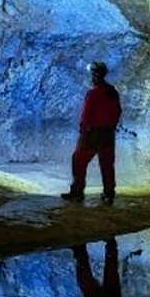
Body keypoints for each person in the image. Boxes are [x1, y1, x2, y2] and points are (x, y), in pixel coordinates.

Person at [61, 61, 121, 205]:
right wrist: (112, 126)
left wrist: (84, 131)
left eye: (92, 74)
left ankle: (77, 192)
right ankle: (109, 194)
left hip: (93, 133)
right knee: (106, 164)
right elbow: (118, 111)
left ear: (95, 75)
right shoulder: (112, 91)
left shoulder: (93, 93)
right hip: (108, 134)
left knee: (78, 160)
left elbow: (86, 115)